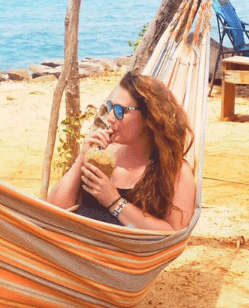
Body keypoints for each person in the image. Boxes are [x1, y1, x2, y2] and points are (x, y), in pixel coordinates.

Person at [47, 71, 196, 231]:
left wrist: (114, 202)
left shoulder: (176, 171)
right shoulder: (104, 154)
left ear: (149, 117)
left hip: (122, 255)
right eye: (110, 107)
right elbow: (54, 209)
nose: (110, 117)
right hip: (77, 249)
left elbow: (172, 236)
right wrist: (82, 157)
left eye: (119, 111)